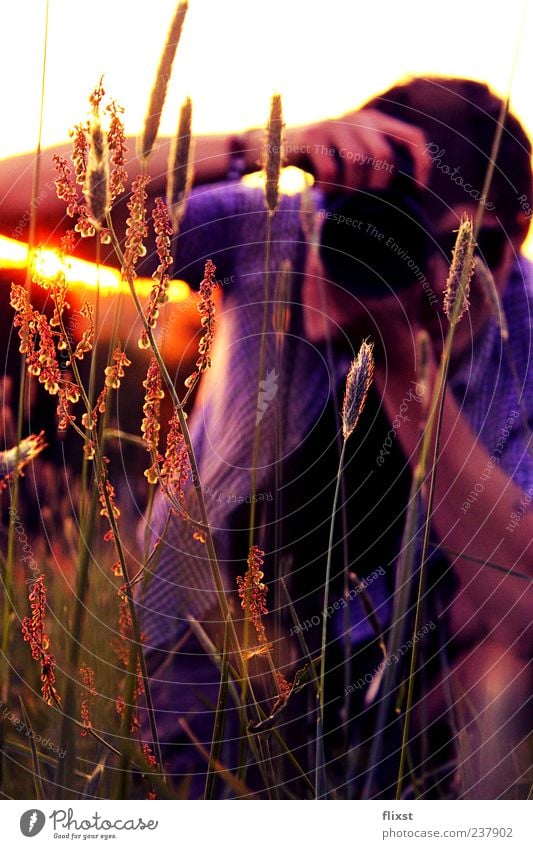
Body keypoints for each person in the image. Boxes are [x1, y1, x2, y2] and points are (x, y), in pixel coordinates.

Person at [1, 76, 531, 798]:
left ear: (494, 244)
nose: (359, 251)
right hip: (201, 642)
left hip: (410, 683)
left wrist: (407, 380)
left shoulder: (522, 340)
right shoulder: (281, 225)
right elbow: (15, 198)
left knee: (495, 673)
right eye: (355, 223)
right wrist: (257, 147)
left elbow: (525, 614)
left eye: (402, 237)